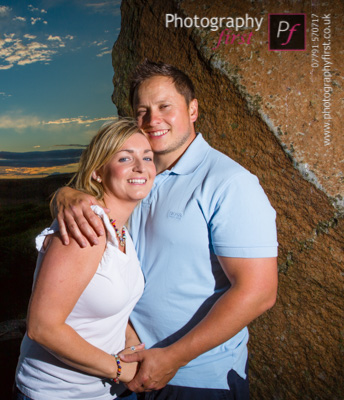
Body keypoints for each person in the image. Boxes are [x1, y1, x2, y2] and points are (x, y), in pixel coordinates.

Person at [54, 60, 278, 399]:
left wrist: (173, 358)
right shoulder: (139, 178)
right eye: (142, 110)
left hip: (194, 378)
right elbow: (96, 201)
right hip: (129, 366)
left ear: (193, 109)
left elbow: (259, 292)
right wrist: (64, 194)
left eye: (164, 107)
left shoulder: (230, 183)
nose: (152, 120)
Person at [14, 118, 156, 400]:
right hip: (59, 393)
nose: (141, 167)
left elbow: (108, 304)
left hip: (106, 391)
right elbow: (42, 328)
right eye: (125, 158)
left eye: (147, 157)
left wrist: (131, 344)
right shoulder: (88, 229)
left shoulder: (121, 230)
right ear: (98, 173)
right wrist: (122, 371)